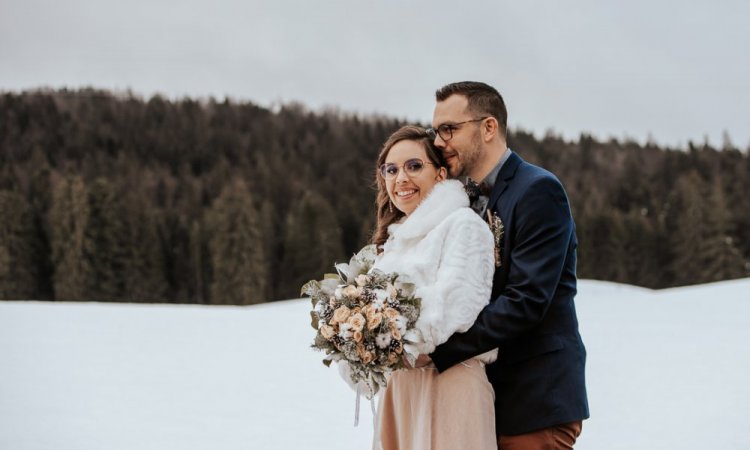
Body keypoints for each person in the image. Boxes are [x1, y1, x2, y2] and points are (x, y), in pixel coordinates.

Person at [425, 81, 590, 449]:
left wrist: (438, 350)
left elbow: (526, 300)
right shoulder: (463, 201)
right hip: (484, 399)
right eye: (435, 131)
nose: (438, 142)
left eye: (449, 129)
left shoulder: (538, 190)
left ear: (488, 128)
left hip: (534, 396)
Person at [342, 125, 499, 449]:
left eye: (414, 166)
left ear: (441, 174)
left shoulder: (464, 225)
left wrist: (390, 340)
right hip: (399, 392)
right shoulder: (393, 243)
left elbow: (457, 304)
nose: (401, 178)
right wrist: (356, 346)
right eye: (391, 169)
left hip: (449, 384)